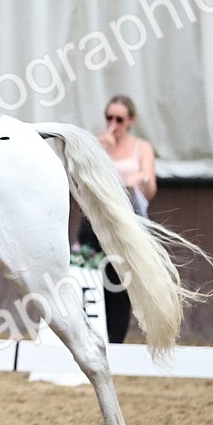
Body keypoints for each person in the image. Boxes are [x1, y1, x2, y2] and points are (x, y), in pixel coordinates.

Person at [78, 95, 157, 343]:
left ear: (130, 121)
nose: (114, 124)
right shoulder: (100, 146)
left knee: (120, 285)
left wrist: (140, 178)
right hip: (96, 220)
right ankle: (88, 339)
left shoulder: (141, 147)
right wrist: (99, 152)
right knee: (89, 280)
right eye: (109, 117)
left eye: (119, 119)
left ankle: (114, 343)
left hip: (126, 222)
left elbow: (151, 186)